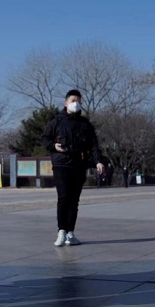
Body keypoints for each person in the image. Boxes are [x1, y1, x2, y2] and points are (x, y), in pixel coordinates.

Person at [42, 89, 105, 247]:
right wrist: (53, 146)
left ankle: (71, 232)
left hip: (79, 165)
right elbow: (45, 138)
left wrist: (98, 161)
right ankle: (61, 231)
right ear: (66, 103)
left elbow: (94, 145)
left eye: (78, 101)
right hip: (61, 164)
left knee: (74, 200)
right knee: (63, 197)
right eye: (72, 100)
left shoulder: (85, 124)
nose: (75, 103)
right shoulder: (57, 121)